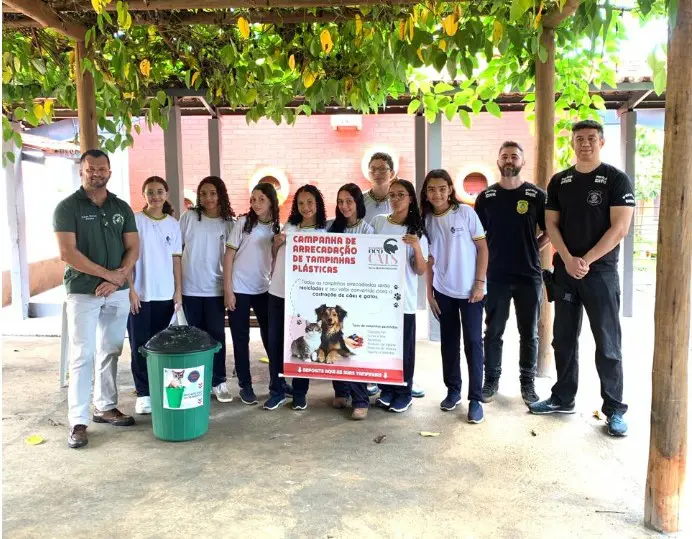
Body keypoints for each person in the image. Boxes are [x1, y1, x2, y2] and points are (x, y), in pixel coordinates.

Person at [529, 120, 634, 437]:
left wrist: (585, 260)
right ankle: (562, 397)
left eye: (591, 138)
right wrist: (568, 259)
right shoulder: (561, 181)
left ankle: (614, 410)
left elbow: (620, 229)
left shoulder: (616, 179)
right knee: (562, 338)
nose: (585, 143)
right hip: (566, 272)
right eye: (579, 138)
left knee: (607, 343)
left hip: (599, 273)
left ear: (601, 142)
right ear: (573, 143)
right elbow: (552, 225)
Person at [53, 149, 139, 449]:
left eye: (102, 168)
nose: (97, 173)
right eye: (91, 168)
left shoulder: (121, 207)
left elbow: (133, 247)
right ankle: (78, 420)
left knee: (111, 350)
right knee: (82, 355)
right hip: (83, 292)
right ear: (81, 171)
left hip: (117, 292)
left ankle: (104, 406)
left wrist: (120, 276)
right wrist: (107, 275)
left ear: (109, 172)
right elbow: (68, 252)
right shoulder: (67, 207)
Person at [474, 142, 549, 405]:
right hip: (495, 275)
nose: (509, 160)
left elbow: (550, 229)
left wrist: (534, 245)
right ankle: (491, 380)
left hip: (529, 275)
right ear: (497, 161)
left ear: (522, 161)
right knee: (493, 331)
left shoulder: (536, 195)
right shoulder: (486, 197)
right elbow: (477, 237)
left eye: (514, 156)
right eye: (504, 156)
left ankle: (527, 384)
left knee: (529, 332)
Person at [422, 169, 488, 424]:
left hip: (471, 291)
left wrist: (479, 283)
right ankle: (453, 391)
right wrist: (429, 292)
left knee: (473, 342)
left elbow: (483, 248)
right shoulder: (426, 220)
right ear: (426, 193)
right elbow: (429, 259)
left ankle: (475, 399)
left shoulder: (466, 213)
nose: (436, 193)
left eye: (441, 188)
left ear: (450, 189)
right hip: (443, 291)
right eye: (431, 189)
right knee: (449, 343)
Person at [362, 151, 426, 399]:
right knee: (382, 343)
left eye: (401, 195)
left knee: (404, 347)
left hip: (403, 297)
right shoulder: (377, 220)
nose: (396, 199)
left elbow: (420, 268)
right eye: (393, 195)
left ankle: (405, 391)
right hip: (377, 296)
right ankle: (385, 387)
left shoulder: (416, 228)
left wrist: (417, 248)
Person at [263, 184, 328, 411]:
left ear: (317, 204)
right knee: (275, 343)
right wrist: (276, 244)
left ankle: (300, 393)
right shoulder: (288, 227)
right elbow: (274, 256)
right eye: (301, 203)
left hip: (305, 299)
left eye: (310, 202)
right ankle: (277, 390)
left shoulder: (325, 233)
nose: (306, 207)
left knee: (303, 346)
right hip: (278, 293)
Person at [127, 176, 183, 415]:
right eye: (150, 192)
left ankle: (160, 390)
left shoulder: (173, 224)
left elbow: (176, 259)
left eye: (159, 191)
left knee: (162, 346)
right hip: (140, 294)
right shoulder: (135, 221)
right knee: (139, 345)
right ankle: (143, 394)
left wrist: (178, 290)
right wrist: (130, 289)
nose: (155, 196)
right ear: (144, 195)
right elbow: (128, 258)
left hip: (165, 295)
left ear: (166, 194)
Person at [179, 176, 235, 403]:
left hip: (215, 290)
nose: (208, 198)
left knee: (216, 337)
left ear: (220, 194)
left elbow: (233, 258)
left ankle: (218, 381)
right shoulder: (189, 217)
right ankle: (196, 382)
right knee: (194, 338)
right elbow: (176, 249)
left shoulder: (228, 223)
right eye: (203, 193)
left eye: (212, 193)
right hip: (190, 288)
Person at [223, 183, 279, 406]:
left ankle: (279, 382)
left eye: (261, 199)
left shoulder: (277, 227)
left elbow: (273, 258)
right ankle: (245, 385)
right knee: (240, 337)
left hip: (263, 288)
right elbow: (228, 256)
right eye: (253, 199)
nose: (256, 203)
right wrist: (228, 290)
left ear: (271, 201)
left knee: (270, 337)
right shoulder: (243, 223)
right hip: (239, 288)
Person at [327, 183, 374, 419]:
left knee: (354, 347)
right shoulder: (332, 228)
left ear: (358, 203)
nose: (344, 206)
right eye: (340, 201)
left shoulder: (367, 230)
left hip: (357, 297)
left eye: (349, 201)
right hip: (335, 298)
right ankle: (341, 391)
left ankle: (360, 399)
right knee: (336, 343)